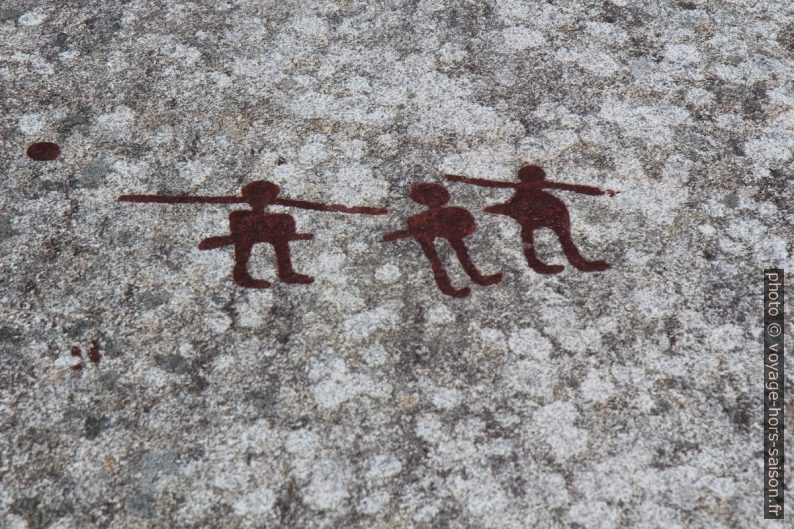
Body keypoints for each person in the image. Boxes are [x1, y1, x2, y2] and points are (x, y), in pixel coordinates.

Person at [446, 165, 616, 274]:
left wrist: (459, 179)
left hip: (539, 212)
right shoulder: (534, 187)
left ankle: (539, 263)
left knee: (531, 236)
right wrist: (601, 191)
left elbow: (488, 183)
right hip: (548, 211)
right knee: (562, 236)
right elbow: (574, 188)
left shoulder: (521, 187)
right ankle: (578, 263)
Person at [383, 183, 502, 297]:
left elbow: (468, 223)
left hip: (451, 233)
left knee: (456, 254)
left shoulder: (452, 212)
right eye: (430, 196)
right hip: (439, 236)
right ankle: (452, 286)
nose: (433, 199)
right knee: (438, 258)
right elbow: (467, 224)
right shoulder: (420, 218)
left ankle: (475, 279)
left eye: (435, 195)